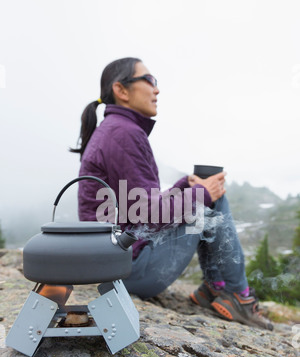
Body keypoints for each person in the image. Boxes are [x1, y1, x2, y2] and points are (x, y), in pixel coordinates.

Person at [70, 57, 273, 331]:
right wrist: (201, 193)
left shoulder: (116, 130)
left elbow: (137, 207)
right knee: (210, 200)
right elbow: (146, 215)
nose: (157, 90)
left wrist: (184, 186)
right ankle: (236, 295)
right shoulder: (123, 134)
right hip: (127, 269)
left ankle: (214, 290)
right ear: (122, 90)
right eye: (150, 81)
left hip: (113, 261)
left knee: (200, 194)